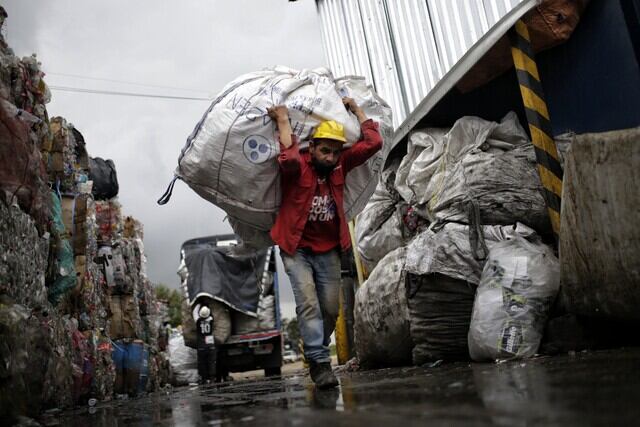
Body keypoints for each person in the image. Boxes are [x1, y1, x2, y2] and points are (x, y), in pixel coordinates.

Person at [267, 98, 382, 389]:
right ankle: (319, 363)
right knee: (308, 305)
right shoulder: (299, 166)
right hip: (297, 248)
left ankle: (314, 343)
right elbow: (289, 158)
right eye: (324, 150)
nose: (330, 157)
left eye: (335, 152)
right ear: (313, 147)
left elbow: (374, 142)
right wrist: (282, 120)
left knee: (330, 309)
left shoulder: (341, 163)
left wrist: (357, 110)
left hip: (329, 248)